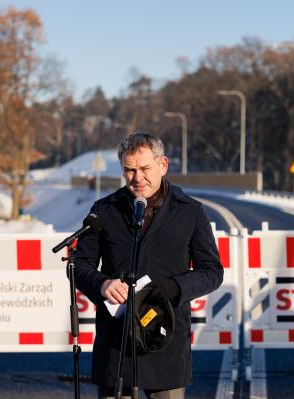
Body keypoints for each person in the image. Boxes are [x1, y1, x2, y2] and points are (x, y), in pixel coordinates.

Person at [73, 133, 224, 399]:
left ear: (163, 165)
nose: (137, 178)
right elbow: (79, 265)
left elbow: (212, 271)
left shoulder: (190, 211)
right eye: (129, 170)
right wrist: (102, 284)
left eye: (144, 169)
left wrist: (172, 288)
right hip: (116, 343)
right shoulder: (103, 210)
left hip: (164, 339)